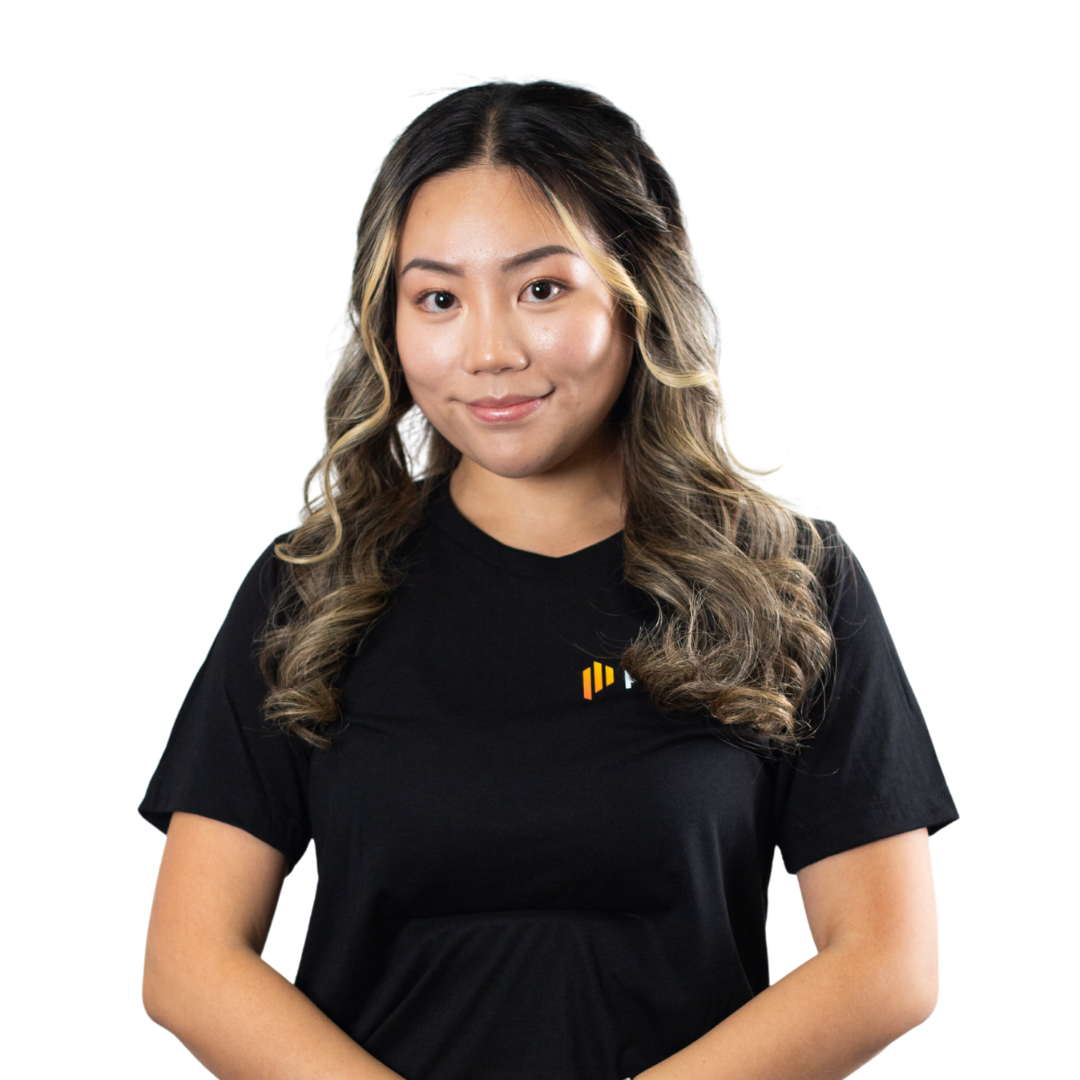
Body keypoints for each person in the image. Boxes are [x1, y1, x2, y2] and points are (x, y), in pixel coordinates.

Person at [139, 74, 959, 1080]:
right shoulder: (307, 591)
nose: (489, 351)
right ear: (388, 325)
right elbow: (186, 965)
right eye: (437, 298)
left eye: (542, 288)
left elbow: (888, 966)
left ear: (637, 290)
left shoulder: (792, 581)